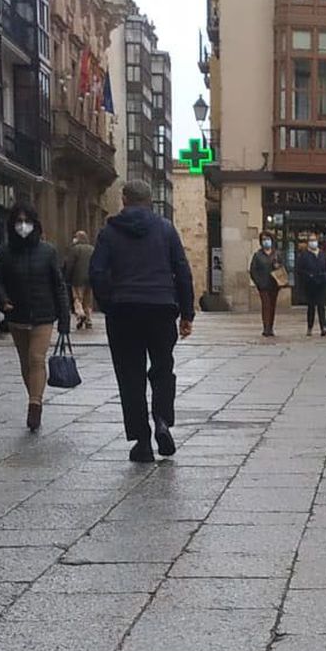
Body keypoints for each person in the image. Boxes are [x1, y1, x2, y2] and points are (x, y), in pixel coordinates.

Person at [89, 180, 196, 463]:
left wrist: (108, 303)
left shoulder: (109, 232)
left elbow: (97, 272)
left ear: (124, 199)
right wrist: (187, 313)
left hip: (124, 310)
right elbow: (182, 271)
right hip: (161, 308)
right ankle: (162, 420)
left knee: (130, 376)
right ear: (150, 201)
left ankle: (142, 441)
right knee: (163, 369)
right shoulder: (165, 230)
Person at [0, 203, 69, 432]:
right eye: (18, 221)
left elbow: (59, 285)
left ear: (35, 224)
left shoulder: (48, 252)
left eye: (27, 221)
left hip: (43, 314)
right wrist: (3, 301)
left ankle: (35, 404)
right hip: (17, 314)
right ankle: (34, 394)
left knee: (36, 357)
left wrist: (64, 319)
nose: (22, 226)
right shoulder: (4, 252)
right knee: (26, 361)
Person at [296, 236, 326, 336]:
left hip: (322, 284)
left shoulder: (322, 254)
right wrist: (307, 276)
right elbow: (299, 270)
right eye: (311, 240)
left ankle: (323, 327)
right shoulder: (304, 255)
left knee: (321, 306)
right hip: (310, 284)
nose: (313, 242)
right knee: (311, 307)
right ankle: (310, 327)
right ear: (308, 243)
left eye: (315, 240)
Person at [249, 235, 283, 338]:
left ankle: (271, 327)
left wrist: (278, 267)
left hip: (274, 284)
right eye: (264, 240)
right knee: (266, 305)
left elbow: (282, 267)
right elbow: (253, 270)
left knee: (272, 306)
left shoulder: (276, 254)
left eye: (267, 239)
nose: (266, 242)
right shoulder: (258, 255)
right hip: (263, 285)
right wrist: (258, 282)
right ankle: (266, 328)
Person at [65, 230, 96, 330]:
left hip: (77, 278)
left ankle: (80, 314)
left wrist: (67, 278)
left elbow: (70, 265)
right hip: (90, 278)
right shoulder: (92, 249)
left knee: (78, 298)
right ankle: (88, 319)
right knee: (88, 300)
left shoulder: (75, 249)